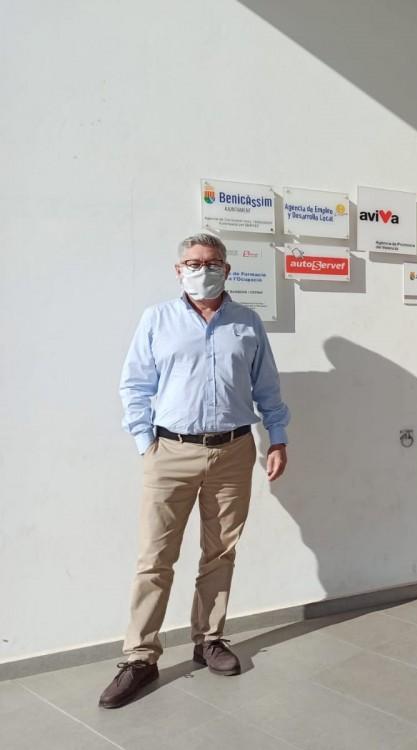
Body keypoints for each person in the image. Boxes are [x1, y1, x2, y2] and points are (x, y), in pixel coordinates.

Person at [100, 233, 290, 708]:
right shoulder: (157, 319)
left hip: (234, 451)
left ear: (227, 269)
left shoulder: (247, 323)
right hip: (171, 451)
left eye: (211, 262)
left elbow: (267, 386)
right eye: (193, 262)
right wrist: (146, 442)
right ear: (178, 269)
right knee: (155, 557)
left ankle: (209, 639)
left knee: (220, 551)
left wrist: (277, 437)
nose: (202, 269)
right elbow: (134, 385)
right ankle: (140, 657)